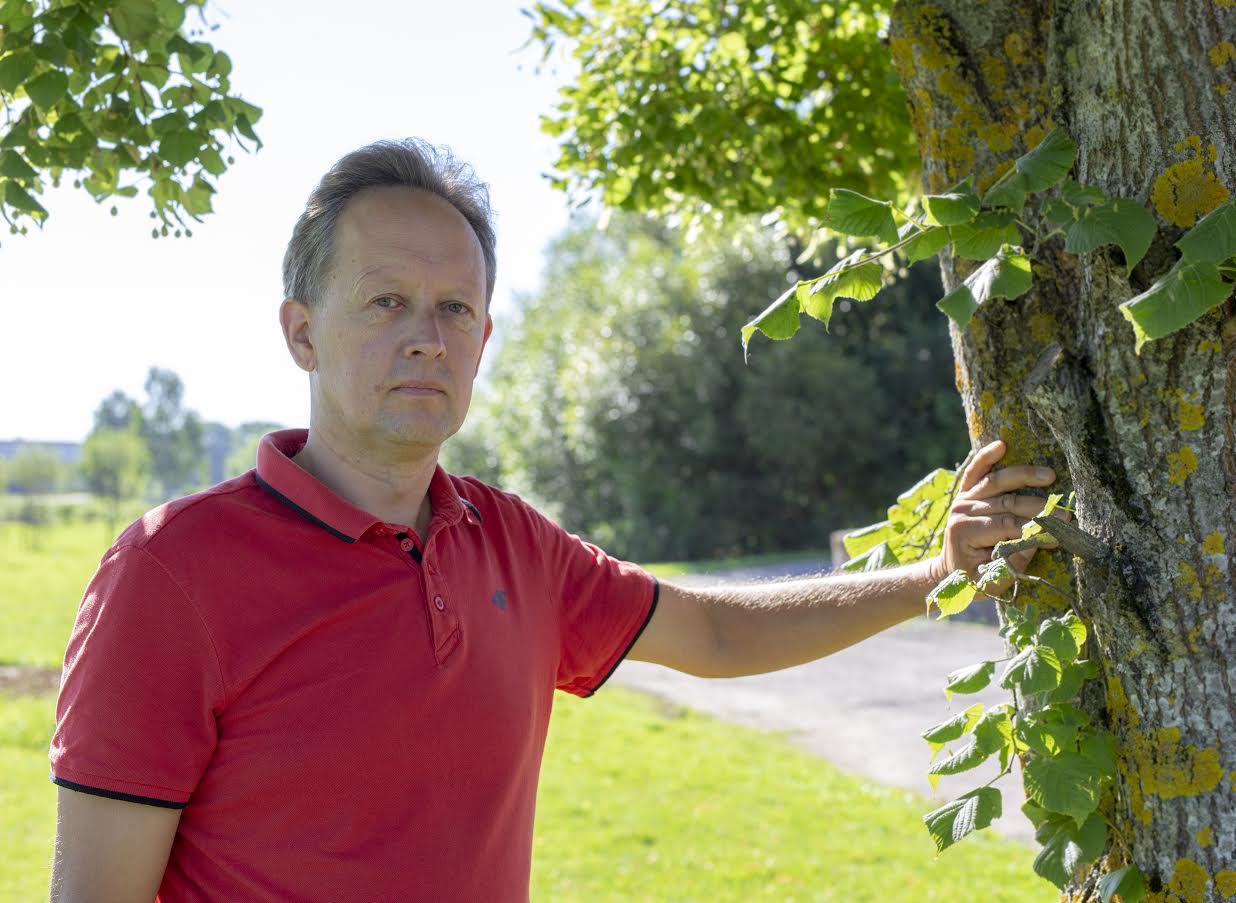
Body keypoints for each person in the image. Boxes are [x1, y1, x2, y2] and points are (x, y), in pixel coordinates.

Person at [48, 138, 1065, 902]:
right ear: (302, 333)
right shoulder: (172, 572)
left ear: (484, 338)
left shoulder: (511, 543)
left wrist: (935, 575)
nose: (426, 339)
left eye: (454, 310)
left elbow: (713, 632)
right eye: (386, 302)